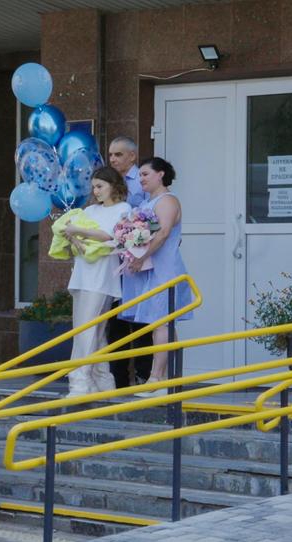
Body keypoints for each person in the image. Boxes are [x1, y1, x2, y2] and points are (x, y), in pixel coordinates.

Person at [119, 157, 193, 398]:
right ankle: (170, 379)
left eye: (145, 174)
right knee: (161, 324)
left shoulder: (167, 200)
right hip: (152, 269)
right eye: (139, 175)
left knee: (161, 324)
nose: (140, 179)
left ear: (161, 174)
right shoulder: (148, 202)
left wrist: (141, 256)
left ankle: (156, 379)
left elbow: (162, 234)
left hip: (165, 268)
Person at [60, 167, 133, 396]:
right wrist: (71, 234)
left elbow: (110, 235)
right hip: (83, 271)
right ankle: (101, 380)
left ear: (113, 185)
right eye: (93, 187)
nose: (96, 191)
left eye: (100, 186)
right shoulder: (90, 209)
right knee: (91, 330)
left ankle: (79, 380)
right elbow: (77, 236)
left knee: (88, 328)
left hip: (102, 274)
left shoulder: (124, 208)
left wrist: (77, 229)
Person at [104, 136, 154, 387]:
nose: (113, 159)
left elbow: (149, 220)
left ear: (132, 156)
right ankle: (118, 379)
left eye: (118, 155)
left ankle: (144, 375)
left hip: (138, 263)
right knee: (116, 324)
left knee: (141, 320)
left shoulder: (144, 180)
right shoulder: (107, 182)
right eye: (111, 155)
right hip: (113, 263)